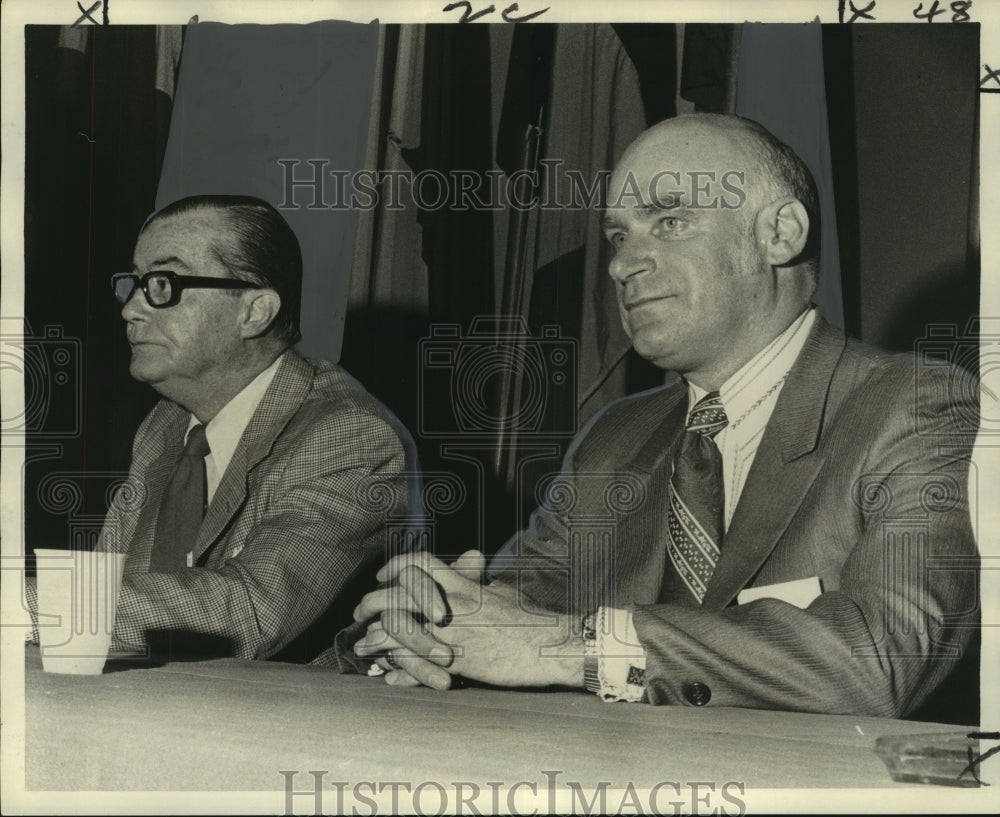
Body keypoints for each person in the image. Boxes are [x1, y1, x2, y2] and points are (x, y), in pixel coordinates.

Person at [350, 114, 980, 717]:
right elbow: (523, 606)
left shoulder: (921, 408)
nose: (623, 264)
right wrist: (440, 624)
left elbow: (879, 662)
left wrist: (572, 650)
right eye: (619, 236)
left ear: (780, 234)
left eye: (671, 220)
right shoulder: (618, 434)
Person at [27, 194, 415, 663]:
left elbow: (251, 612)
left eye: (162, 283)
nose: (131, 308)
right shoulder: (168, 422)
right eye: (133, 282)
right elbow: (116, 590)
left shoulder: (350, 435)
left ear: (254, 311)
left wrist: (23, 604)